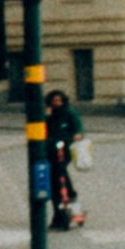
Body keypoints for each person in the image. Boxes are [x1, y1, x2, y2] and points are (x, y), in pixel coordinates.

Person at [42, 84, 85, 228]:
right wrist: (46, 116)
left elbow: (78, 126)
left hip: (64, 151)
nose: (57, 104)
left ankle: (69, 214)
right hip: (50, 152)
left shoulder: (69, 114)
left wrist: (78, 134)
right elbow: (41, 129)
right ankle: (63, 215)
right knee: (59, 184)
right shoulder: (49, 116)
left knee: (61, 181)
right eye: (54, 101)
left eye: (59, 101)